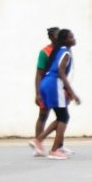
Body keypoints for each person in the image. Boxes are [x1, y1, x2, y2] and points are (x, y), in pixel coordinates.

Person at [35, 29, 81, 160]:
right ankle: (54, 149)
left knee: (61, 116)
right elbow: (61, 72)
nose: (74, 39)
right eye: (71, 37)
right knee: (63, 116)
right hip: (54, 84)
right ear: (65, 40)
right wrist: (72, 92)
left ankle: (39, 140)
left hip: (49, 83)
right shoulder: (65, 52)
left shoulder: (59, 50)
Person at [30, 27, 59, 156]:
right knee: (43, 115)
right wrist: (37, 93)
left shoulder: (62, 50)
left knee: (61, 117)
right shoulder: (44, 52)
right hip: (47, 88)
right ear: (52, 37)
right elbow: (39, 74)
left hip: (58, 88)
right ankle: (39, 145)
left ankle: (58, 146)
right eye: (58, 35)